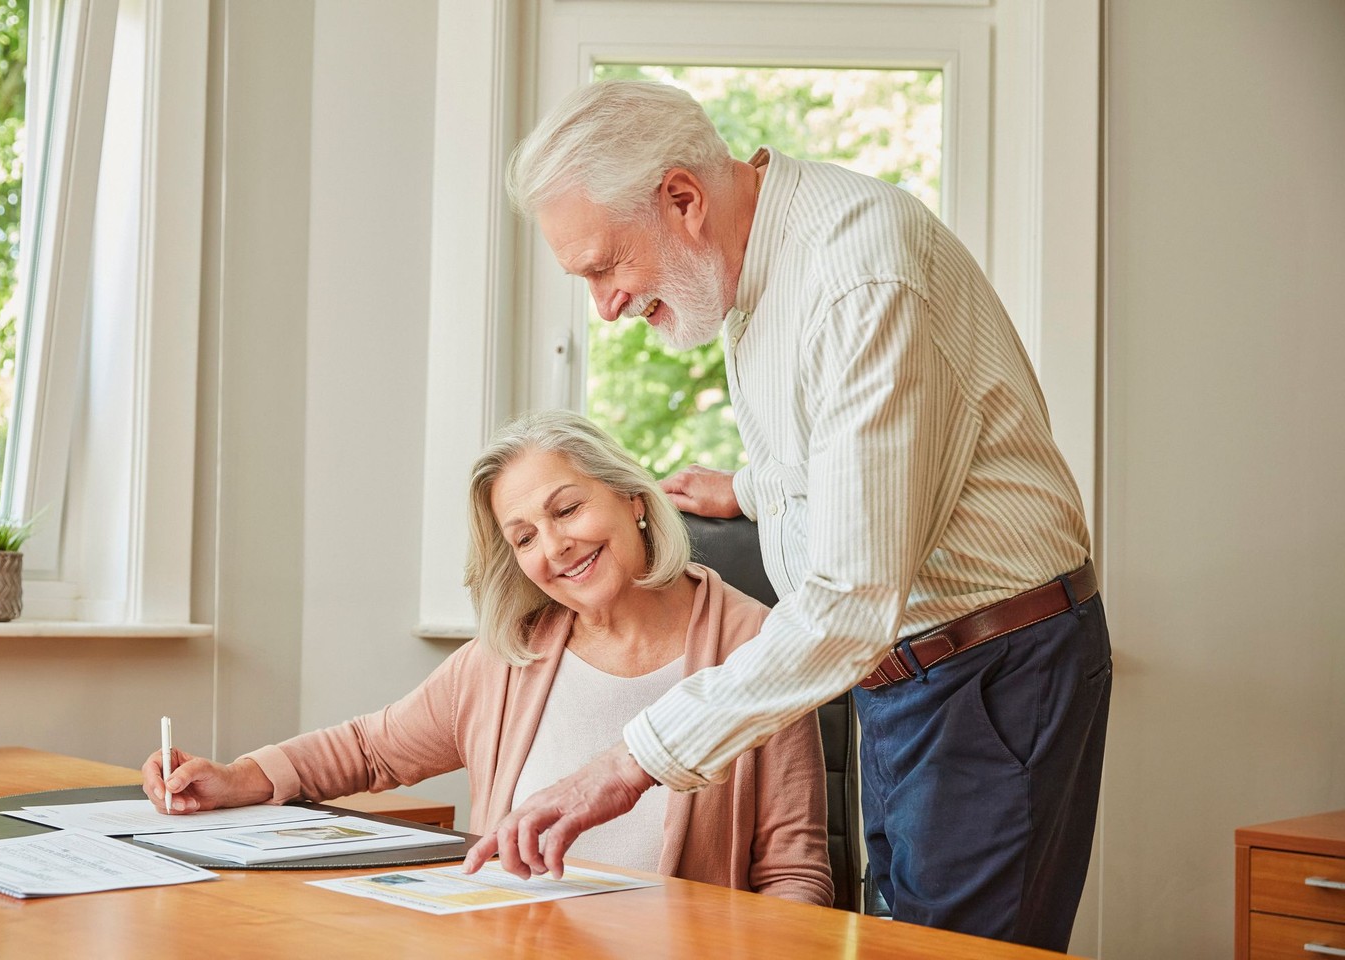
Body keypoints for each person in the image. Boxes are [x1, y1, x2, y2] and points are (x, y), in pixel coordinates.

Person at [464, 80, 1112, 951]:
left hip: (986, 672)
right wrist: (753, 488)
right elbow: (852, 457)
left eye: (605, 266)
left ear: (683, 200)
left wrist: (627, 766)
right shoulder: (746, 273)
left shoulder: (854, 274)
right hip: (909, 675)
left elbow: (848, 600)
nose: (605, 307)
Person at [141, 409, 833, 906]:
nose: (554, 547)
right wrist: (238, 777)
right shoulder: (511, 657)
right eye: (524, 537)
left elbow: (795, 876)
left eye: (566, 510)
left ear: (631, 498)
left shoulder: (759, 650)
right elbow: (370, 749)